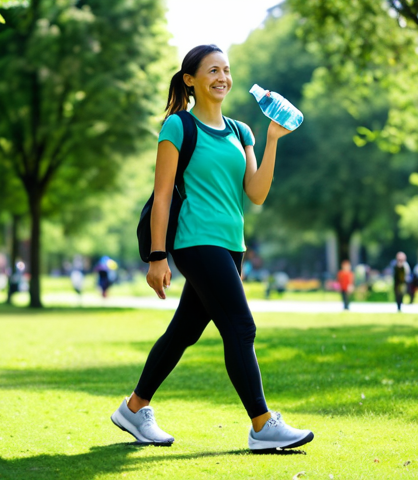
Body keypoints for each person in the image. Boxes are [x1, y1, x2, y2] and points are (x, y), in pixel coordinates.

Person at [110, 45, 313, 452]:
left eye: (227, 70)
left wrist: (273, 137)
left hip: (230, 244)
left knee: (184, 331)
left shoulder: (242, 132)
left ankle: (134, 408)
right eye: (212, 70)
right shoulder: (178, 127)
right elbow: (163, 197)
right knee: (241, 327)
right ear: (190, 79)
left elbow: (255, 194)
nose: (222, 77)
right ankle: (262, 425)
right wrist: (156, 256)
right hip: (195, 240)